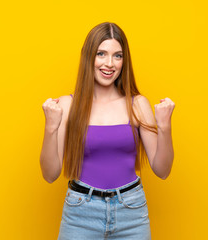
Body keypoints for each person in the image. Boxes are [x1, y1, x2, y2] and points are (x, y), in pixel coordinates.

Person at [40, 22, 175, 240]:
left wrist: (165, 127)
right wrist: (50, 128)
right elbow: (49, 174)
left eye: (117, 56)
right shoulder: (67, 105)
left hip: (131, 212)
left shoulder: (138, 105)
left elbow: (163, 170)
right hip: (80, 213)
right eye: (101, 54)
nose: (109, 63)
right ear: (88, 57)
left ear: (124, 61)